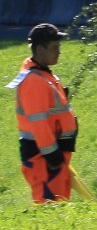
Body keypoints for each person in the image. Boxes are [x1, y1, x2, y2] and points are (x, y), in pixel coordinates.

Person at [8, 24, 78, 204]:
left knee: (59, 202)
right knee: (48, 204)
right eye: (54, 48)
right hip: (44, 157)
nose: (59, 52)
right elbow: (39, 123)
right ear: (39, 49)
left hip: (51, 154)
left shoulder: (44, 75)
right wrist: (52, 155)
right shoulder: (34, 80)